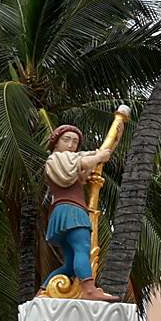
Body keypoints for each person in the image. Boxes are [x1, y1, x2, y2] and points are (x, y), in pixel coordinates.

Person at [42, 110, 129, 299]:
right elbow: (78, 166)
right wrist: (97, 158)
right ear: (56, 141)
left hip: (68, 212)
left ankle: (42, 291)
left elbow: (89, 161)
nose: (71, 144)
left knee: (70, 263)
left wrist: (111, 143)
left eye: (75, 141)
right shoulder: (56, 159)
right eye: (67, 139)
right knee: (82, 248)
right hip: (70, 212)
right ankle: (89, 290)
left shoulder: (75, 161)